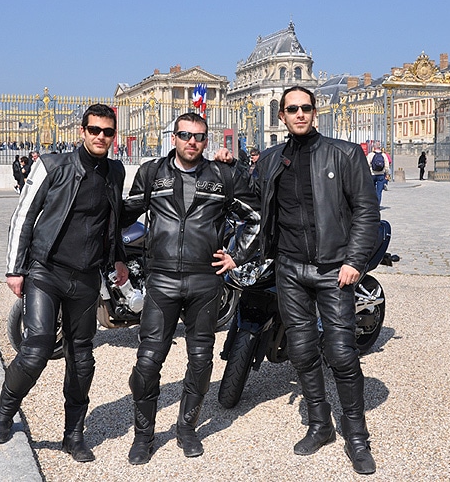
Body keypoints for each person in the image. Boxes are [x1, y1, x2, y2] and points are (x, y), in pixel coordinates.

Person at [247, 86, 379, 474]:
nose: (300, 114)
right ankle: (320, 425)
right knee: (302, 352)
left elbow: (366, 211)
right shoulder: (271, 159)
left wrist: (355, 261)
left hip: (333, 270)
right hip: (289, 268)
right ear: (282, 116)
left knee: (341, 353)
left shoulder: (345, 153)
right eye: (292, 109)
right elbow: (253, 202)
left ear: (315, 112)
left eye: (306, 108)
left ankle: (357, 438)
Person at [0, 104, 128, 463]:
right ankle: (4, 413)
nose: (101, 136)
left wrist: (119, 258)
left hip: (86, 277)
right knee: (36, 348)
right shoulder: (52, 165)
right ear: (82, 131)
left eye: (108, 131)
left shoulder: (115, 170)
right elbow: (24, 216)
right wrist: (13, 269)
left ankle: (74, 434)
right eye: (94, 129)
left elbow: (112, 218)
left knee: (82, 358)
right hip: (45, 271)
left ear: (114, 135)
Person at [123, 112, 260, 465]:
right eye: (185, 135)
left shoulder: (222, 176)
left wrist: (235, 255)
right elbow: (126, 213)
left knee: (200, 361)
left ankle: (186, 428)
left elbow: (256, 216)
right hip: (162, 279)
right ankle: (143, 435)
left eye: (199, 136)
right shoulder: (152, 173)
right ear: (174, 137)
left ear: (207, 139)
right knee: (148, 360)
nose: (192, 142)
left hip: (205, 280)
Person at [367, 141, 390, 206]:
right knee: (379, 192)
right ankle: (377, 205)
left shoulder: (370, 155)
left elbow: (367, 164)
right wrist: (387, 174)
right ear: (380, 147)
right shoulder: (383, 155)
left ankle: (372, 205)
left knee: (371, 191)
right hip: (381, 174)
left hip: (372, 174)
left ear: (374, 147)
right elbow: (387, 166)